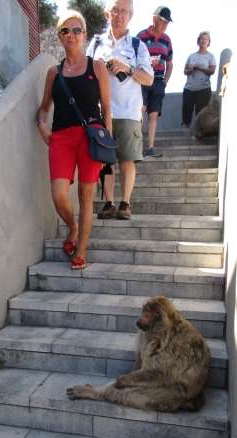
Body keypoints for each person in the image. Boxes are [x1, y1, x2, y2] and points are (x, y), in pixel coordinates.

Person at [36, 10, 111, 270]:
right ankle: (72, 226)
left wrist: (107, 147)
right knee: (58, 196)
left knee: (85, 194)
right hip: (61, 138)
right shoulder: (52, 73)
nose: (71, 35)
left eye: (76, 30)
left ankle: (80, 250)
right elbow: (44, 108)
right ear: (59, 36)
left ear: (84, 35)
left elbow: (107, 110)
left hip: (91, 136)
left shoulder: (97, 66)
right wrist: (41, 123)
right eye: (65, 31)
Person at [86, 0, 153, 220]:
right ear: (107, 13)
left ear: (131, 16)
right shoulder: (96, 44)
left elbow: (149, 79)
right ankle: (108, 203)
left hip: (129, 112)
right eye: (115, 10)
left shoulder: (137, 45)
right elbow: (85, 72)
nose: (119, 15)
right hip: (102, 111)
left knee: (126, 160)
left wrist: (128, 68)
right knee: (105, 160)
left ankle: (125, 203)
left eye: (124, 11)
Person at [137, 6, 173, 157]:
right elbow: (132, 61)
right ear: (154, 19)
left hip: (158, 81)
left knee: (153, 114)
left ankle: (150, 147)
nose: (165, 25)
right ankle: (136, 147)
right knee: (141, 111)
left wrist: (164, 82)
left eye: (167, 23)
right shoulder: (141, 36)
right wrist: (147, 61)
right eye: (163, 21)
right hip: (143, 80)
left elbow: (170, 64)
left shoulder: (167, 40)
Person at [182, 31, 216, 128]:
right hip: (189, 87)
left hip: (203, 88)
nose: (203, 41)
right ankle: (186, 128)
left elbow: (212, 71)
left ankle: (199, 129)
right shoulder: (191, 56)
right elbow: (185, 71)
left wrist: (201, 68)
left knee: (201, 110)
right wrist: (190, 70)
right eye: (202, 38)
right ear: (198, 41)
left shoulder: (211, 56)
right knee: (187, 107)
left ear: (209, 42)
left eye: (206, 39)